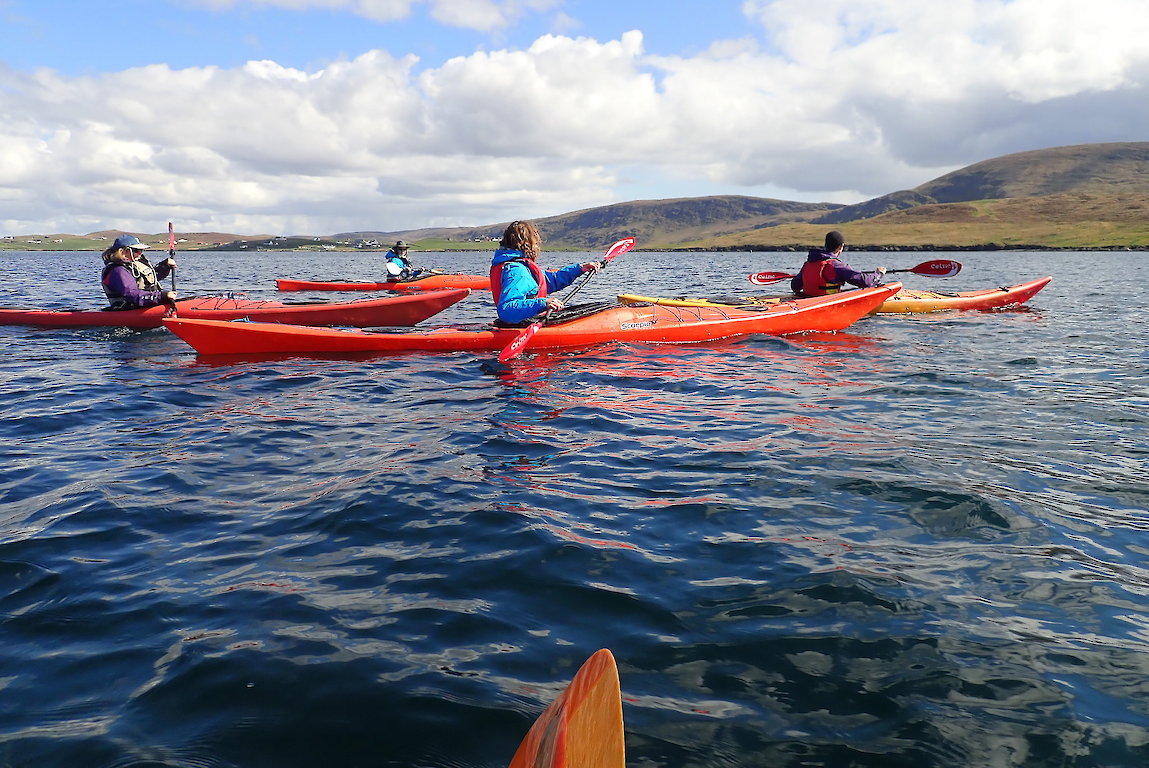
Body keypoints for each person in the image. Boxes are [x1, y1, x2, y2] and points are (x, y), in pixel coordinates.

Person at [489, 220, 602, 325]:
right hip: (523, 325)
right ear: (528, 244)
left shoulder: (519, 266)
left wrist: (580, 269)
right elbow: (507, 310)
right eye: (536, 243)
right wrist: (543, 303)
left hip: (529, 321)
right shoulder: (517, 271)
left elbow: (550, 280)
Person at [791, 230, 886, 297]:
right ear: (841, 247)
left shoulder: (808, 264)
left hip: (807, 301)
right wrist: (878, 274)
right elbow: (866, 282)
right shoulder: (836, 266)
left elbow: (795, 287)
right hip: (825, 304)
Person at [100, 234, 177, 310]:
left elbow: (149, 279)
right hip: (128, 310)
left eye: (141, 250)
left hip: (144, 305)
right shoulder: (118, 271)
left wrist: (165, 266)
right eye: (136, 250)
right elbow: (131, 294)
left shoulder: (134, 265)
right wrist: (162, 296)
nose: (140, 253)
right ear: (123, 252)